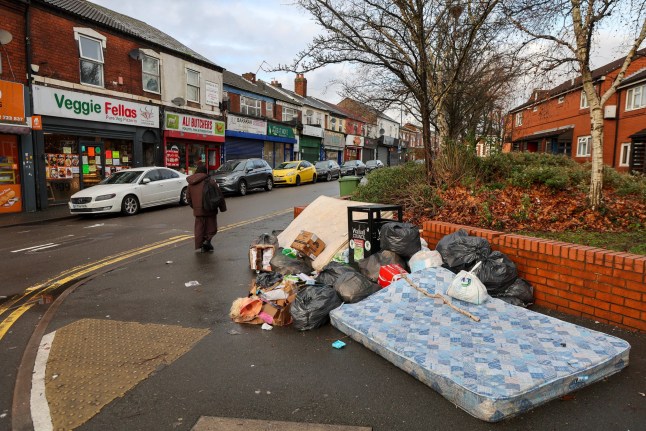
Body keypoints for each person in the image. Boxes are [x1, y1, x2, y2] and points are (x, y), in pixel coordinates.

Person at [186, 163, 226, 252]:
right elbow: (219, 195)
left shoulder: (191, 183)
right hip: (210, 209)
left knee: (199, 228)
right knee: (211, 227)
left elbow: (188, 198)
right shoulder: (210, 181)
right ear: (205, 172)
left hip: (198, 210)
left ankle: (201, 245)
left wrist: (195, 207)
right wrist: (222, 208)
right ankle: (207, 242)